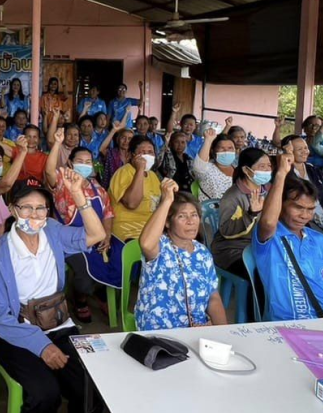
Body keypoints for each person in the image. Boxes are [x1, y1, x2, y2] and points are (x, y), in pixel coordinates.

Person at [0, 177, 107, 413]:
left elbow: (96, 234)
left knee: (94, 386)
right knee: (44, 393)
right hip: (16, 333)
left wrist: (78, 194)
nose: (33, 216)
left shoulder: (52, 231)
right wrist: (41, 347)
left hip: (59, 325)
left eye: (41, 209)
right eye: (26, 208)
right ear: (12, 209)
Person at [252, 151, 323, 321]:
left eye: (310, 209)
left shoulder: (318, 239)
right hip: (291, 321)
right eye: (297, 207)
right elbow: (267, 222)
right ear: (281, 205)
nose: (304, 215)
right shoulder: (271, 238)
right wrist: (281, 174)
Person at [44, 132, 118, 322]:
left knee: (117, 257)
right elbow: (49, 171)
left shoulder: (98, 188)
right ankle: (81, 298)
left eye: (88, 161)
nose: (85, 165)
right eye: (80, 161)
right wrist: (57, 144)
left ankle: (101, 294)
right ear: (70, 163)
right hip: (70, 241)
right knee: (84, 271)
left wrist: (108, 235)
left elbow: (108, 214)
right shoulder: (63, 181)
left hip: (98, 237)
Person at [136, 180, 227, 330]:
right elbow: (145, 243)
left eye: (194, 215)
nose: (191, 221)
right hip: (160, 330)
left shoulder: (202, 253)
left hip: (196, 327)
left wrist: (222, 330)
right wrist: (167, 200)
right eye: (182, 216)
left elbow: (213, 296)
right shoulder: (161, 247)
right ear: (167, 222)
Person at [213, 148, 272, 280]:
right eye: (262, 167)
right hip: (233, 249)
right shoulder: (233, 196)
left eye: (269, 166)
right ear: (246, 170)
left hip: (260, 245)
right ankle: (255, 301)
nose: (267, 170)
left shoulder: (269, 189)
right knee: (262, 274)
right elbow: (226, 230)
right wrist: (251, 214)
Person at [108, 135, 164, 271]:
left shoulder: (153, 176)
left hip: (149, 229)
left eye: (150, 152)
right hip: (127, 231)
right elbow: (132, 203)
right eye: (142, 152)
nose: (147, 156)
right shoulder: (123, 173)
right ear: (132, 155)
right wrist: (139, 170)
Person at [192, 125, 237, 201]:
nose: (226, 151)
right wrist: (208, 140)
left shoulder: (238, 169)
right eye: (222, 148)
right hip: (211, 211)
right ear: (213, 151)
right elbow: (199, 166)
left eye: (230, 148)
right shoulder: (207, 169)